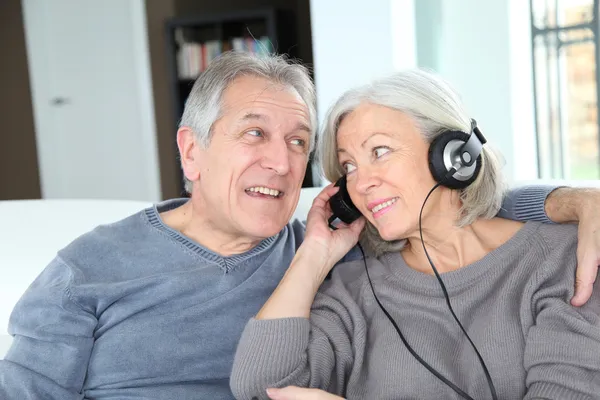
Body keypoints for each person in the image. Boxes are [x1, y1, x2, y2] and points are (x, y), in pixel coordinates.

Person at [0, 52, 597, 400]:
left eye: (298, 143)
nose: (282, 163)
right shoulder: (89, 269)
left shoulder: (340, 255)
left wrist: (574, 200)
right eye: (254, 133)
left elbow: (452, 216)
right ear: (192, 152)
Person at [230, 69, 600, 400]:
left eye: (380, 151)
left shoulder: (564, 258)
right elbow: (260, 386)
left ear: (454, 155)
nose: (362, 182)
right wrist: (314, 254)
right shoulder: (353, 289)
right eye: (350, 166)